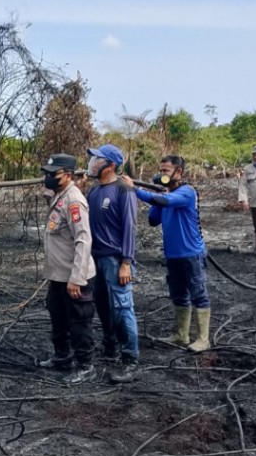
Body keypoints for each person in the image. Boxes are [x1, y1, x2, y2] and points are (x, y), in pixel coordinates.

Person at [122, 156, 211, 352]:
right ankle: (181, 335)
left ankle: (203, 339)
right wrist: (157, 197)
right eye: (160, 170)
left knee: (198, 294)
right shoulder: (166, 196)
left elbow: (165, 201)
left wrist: (135, 190)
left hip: (191, 253)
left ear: (178, 172)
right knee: (178, 295)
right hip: (173, 255)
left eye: (166, 171)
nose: (162, 174)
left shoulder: (187, 192)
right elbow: (154, 220)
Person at [39, 153, 98, 384]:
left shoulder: (74, 201)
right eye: (46, 173)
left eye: (53, 174)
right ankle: (62, 356)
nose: (48, 178)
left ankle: (85, 366)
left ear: (68, 176)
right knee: (58, 317)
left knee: (79, 322)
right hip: (58, 275)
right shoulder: (58, 195)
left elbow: (83, 241)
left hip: (74, 276)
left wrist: (77, 279)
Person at [85, 143, 141, 383]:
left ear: (110, 165)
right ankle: (110, 347)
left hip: (115, 258)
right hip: (95, 258)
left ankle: (131, 360)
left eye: (97, 160)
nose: (92, 164)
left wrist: (126, 262)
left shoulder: (123, 192)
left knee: (122, 307)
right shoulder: (94, 192)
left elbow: (130, 228)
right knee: (103, 305)